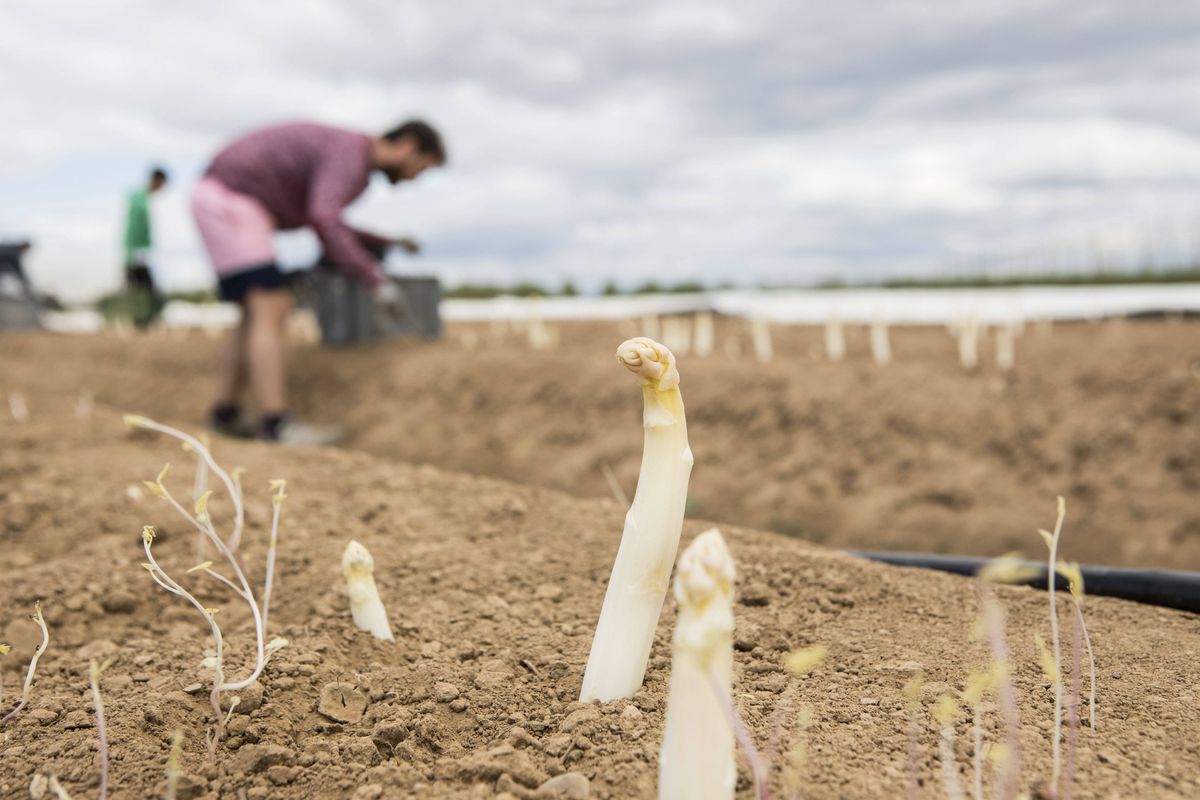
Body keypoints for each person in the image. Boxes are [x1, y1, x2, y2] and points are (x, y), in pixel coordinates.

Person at [191, 119, 446, 444]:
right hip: (233, 201)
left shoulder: (351, 153)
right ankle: (275, 425)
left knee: (253, 312)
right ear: (407, 146)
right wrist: (375, 279)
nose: (414, 178)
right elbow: (324, 218)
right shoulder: (352, 156)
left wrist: (383, 242)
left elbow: (327, 221)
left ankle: (224, 414)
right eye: (420, 167)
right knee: (272, 305)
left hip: (220, 197)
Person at [123, 167, 168, 328]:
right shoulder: (139, 198)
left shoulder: (144, 198)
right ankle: (140, 320)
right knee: (141, 287)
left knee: (142, 286)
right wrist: (136, 250)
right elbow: (135, 226)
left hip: (141, 250)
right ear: (157, 181)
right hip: (136, 251)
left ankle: (143, 321)